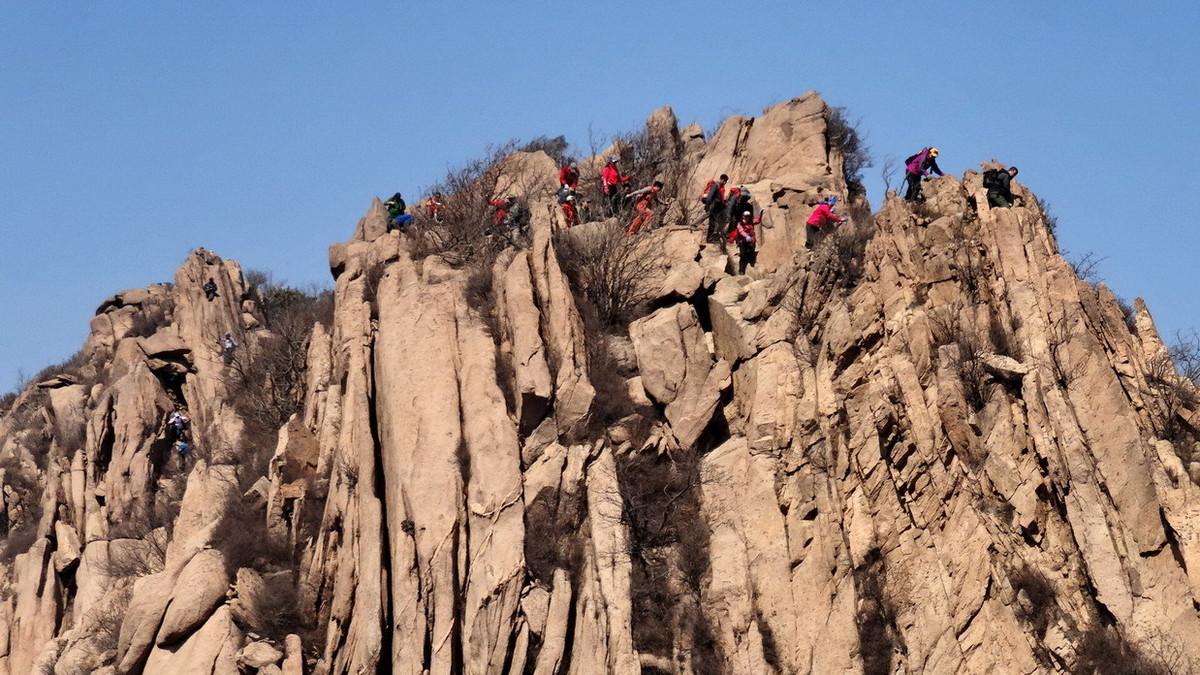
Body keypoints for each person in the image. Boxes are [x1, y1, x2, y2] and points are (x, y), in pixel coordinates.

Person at [701, 174, 730, 242]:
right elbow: (710, 196)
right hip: (714, 207)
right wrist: (707, 205)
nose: (725, 182)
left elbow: (721, 198)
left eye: (726, 181)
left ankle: (712, 238)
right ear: (721, 179)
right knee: (712, 222)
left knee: (715, 222)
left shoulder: (721, 187)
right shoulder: (716, 186)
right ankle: (710, 238)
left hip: (718, 208)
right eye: (724, 181)